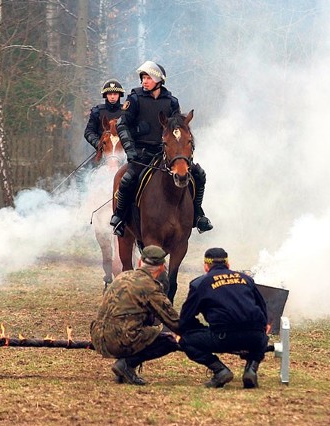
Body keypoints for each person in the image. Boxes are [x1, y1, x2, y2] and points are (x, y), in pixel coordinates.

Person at [110, 61, 213, 237]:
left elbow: (177, 129)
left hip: (167, 153)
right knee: (127, 179)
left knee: (198, 174)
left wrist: (181, 149)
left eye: (148, 77)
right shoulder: (134, 99)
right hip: (141, 153)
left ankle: (198, 215)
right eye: (143, 77)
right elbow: (122, 126)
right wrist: (130, 148)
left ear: (159, 80)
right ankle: (120, 217)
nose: (144, 81)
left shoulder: (171, 102)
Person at [90, 245, 181, 385]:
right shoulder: (150, 286)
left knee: (138, 327)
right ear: (162, 268)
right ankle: (126, 365)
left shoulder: (122, 276)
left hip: (97, 337)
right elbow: (174, 321)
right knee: (167, 341)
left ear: (140, 263)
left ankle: (125, 368)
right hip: (118, 340)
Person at [179, 248, 268, 389]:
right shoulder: (247, 279)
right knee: (261, 336)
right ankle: (251, 370)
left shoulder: (200, 283)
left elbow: (185, 319)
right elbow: (263, 310)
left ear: (206, 266)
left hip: (223, 337)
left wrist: (198, 328)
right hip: (255, 338)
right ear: (228, 264)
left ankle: (220, 371)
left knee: (186, 341)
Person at [84, 79, 125, 156]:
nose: (112, 97)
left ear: (119, 95)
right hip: (102, 151)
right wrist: (99, 144)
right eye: (110, 94)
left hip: (122, 152)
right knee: (85, 168)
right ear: (105, 95)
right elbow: (88, 132)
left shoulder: (126, 112)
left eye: (115, 94)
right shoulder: (97, 111)